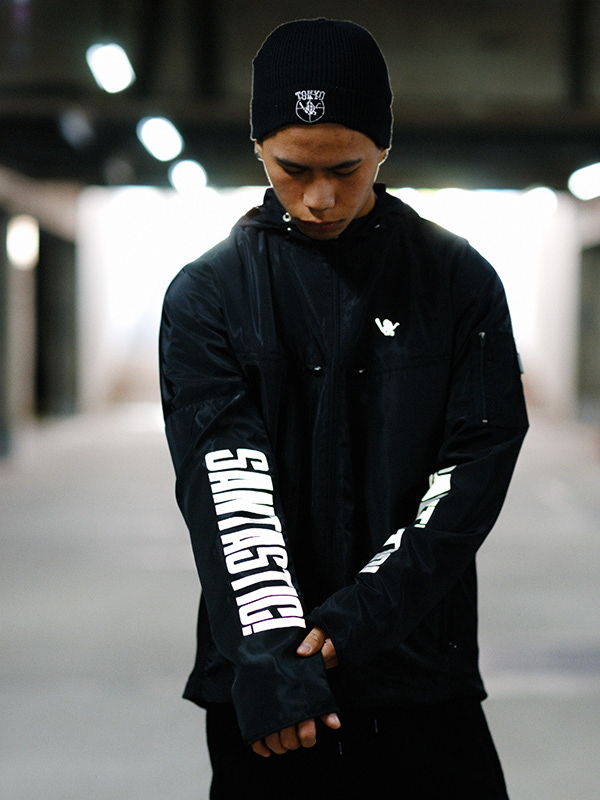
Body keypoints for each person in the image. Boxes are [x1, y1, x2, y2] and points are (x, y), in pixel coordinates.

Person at [159, 18, 528, 799]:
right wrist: (272, 656)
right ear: (258, 147)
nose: (321, 197)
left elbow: (474, 468)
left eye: (346, 168)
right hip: (270, 686)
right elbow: (227, 484)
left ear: (383, 148)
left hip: (417, 674)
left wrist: (361, 615)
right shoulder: (209, 295)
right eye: (293, 169)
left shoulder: (457, 281)